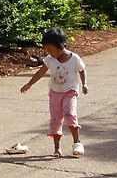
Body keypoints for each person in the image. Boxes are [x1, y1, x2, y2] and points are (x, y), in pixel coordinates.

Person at [15, 27, 88, 157]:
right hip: (55, 93)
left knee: (70, 115)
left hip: (70, 92)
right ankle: (57, 149)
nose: (49, 53)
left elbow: (82, 71)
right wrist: (29, 83)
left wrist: (84, 84)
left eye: (51, 50)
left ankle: (77, 143)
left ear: (61, 45)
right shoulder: (50, 59)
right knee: (55, 120)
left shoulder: (74, 58)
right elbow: (41, 72)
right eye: (47, 50)